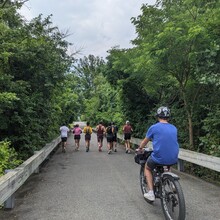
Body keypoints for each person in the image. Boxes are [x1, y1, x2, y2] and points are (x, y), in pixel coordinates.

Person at [138, 106, 179, 202]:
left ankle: (151, 192)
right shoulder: (174, 128)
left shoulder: (154, 127)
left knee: (147, 168)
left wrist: (140, 148)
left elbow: (145, 142)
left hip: (159, 157)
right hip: (173, 157)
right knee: (167, 164)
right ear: (168, 117)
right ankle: (172, 184)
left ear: (158, 116)